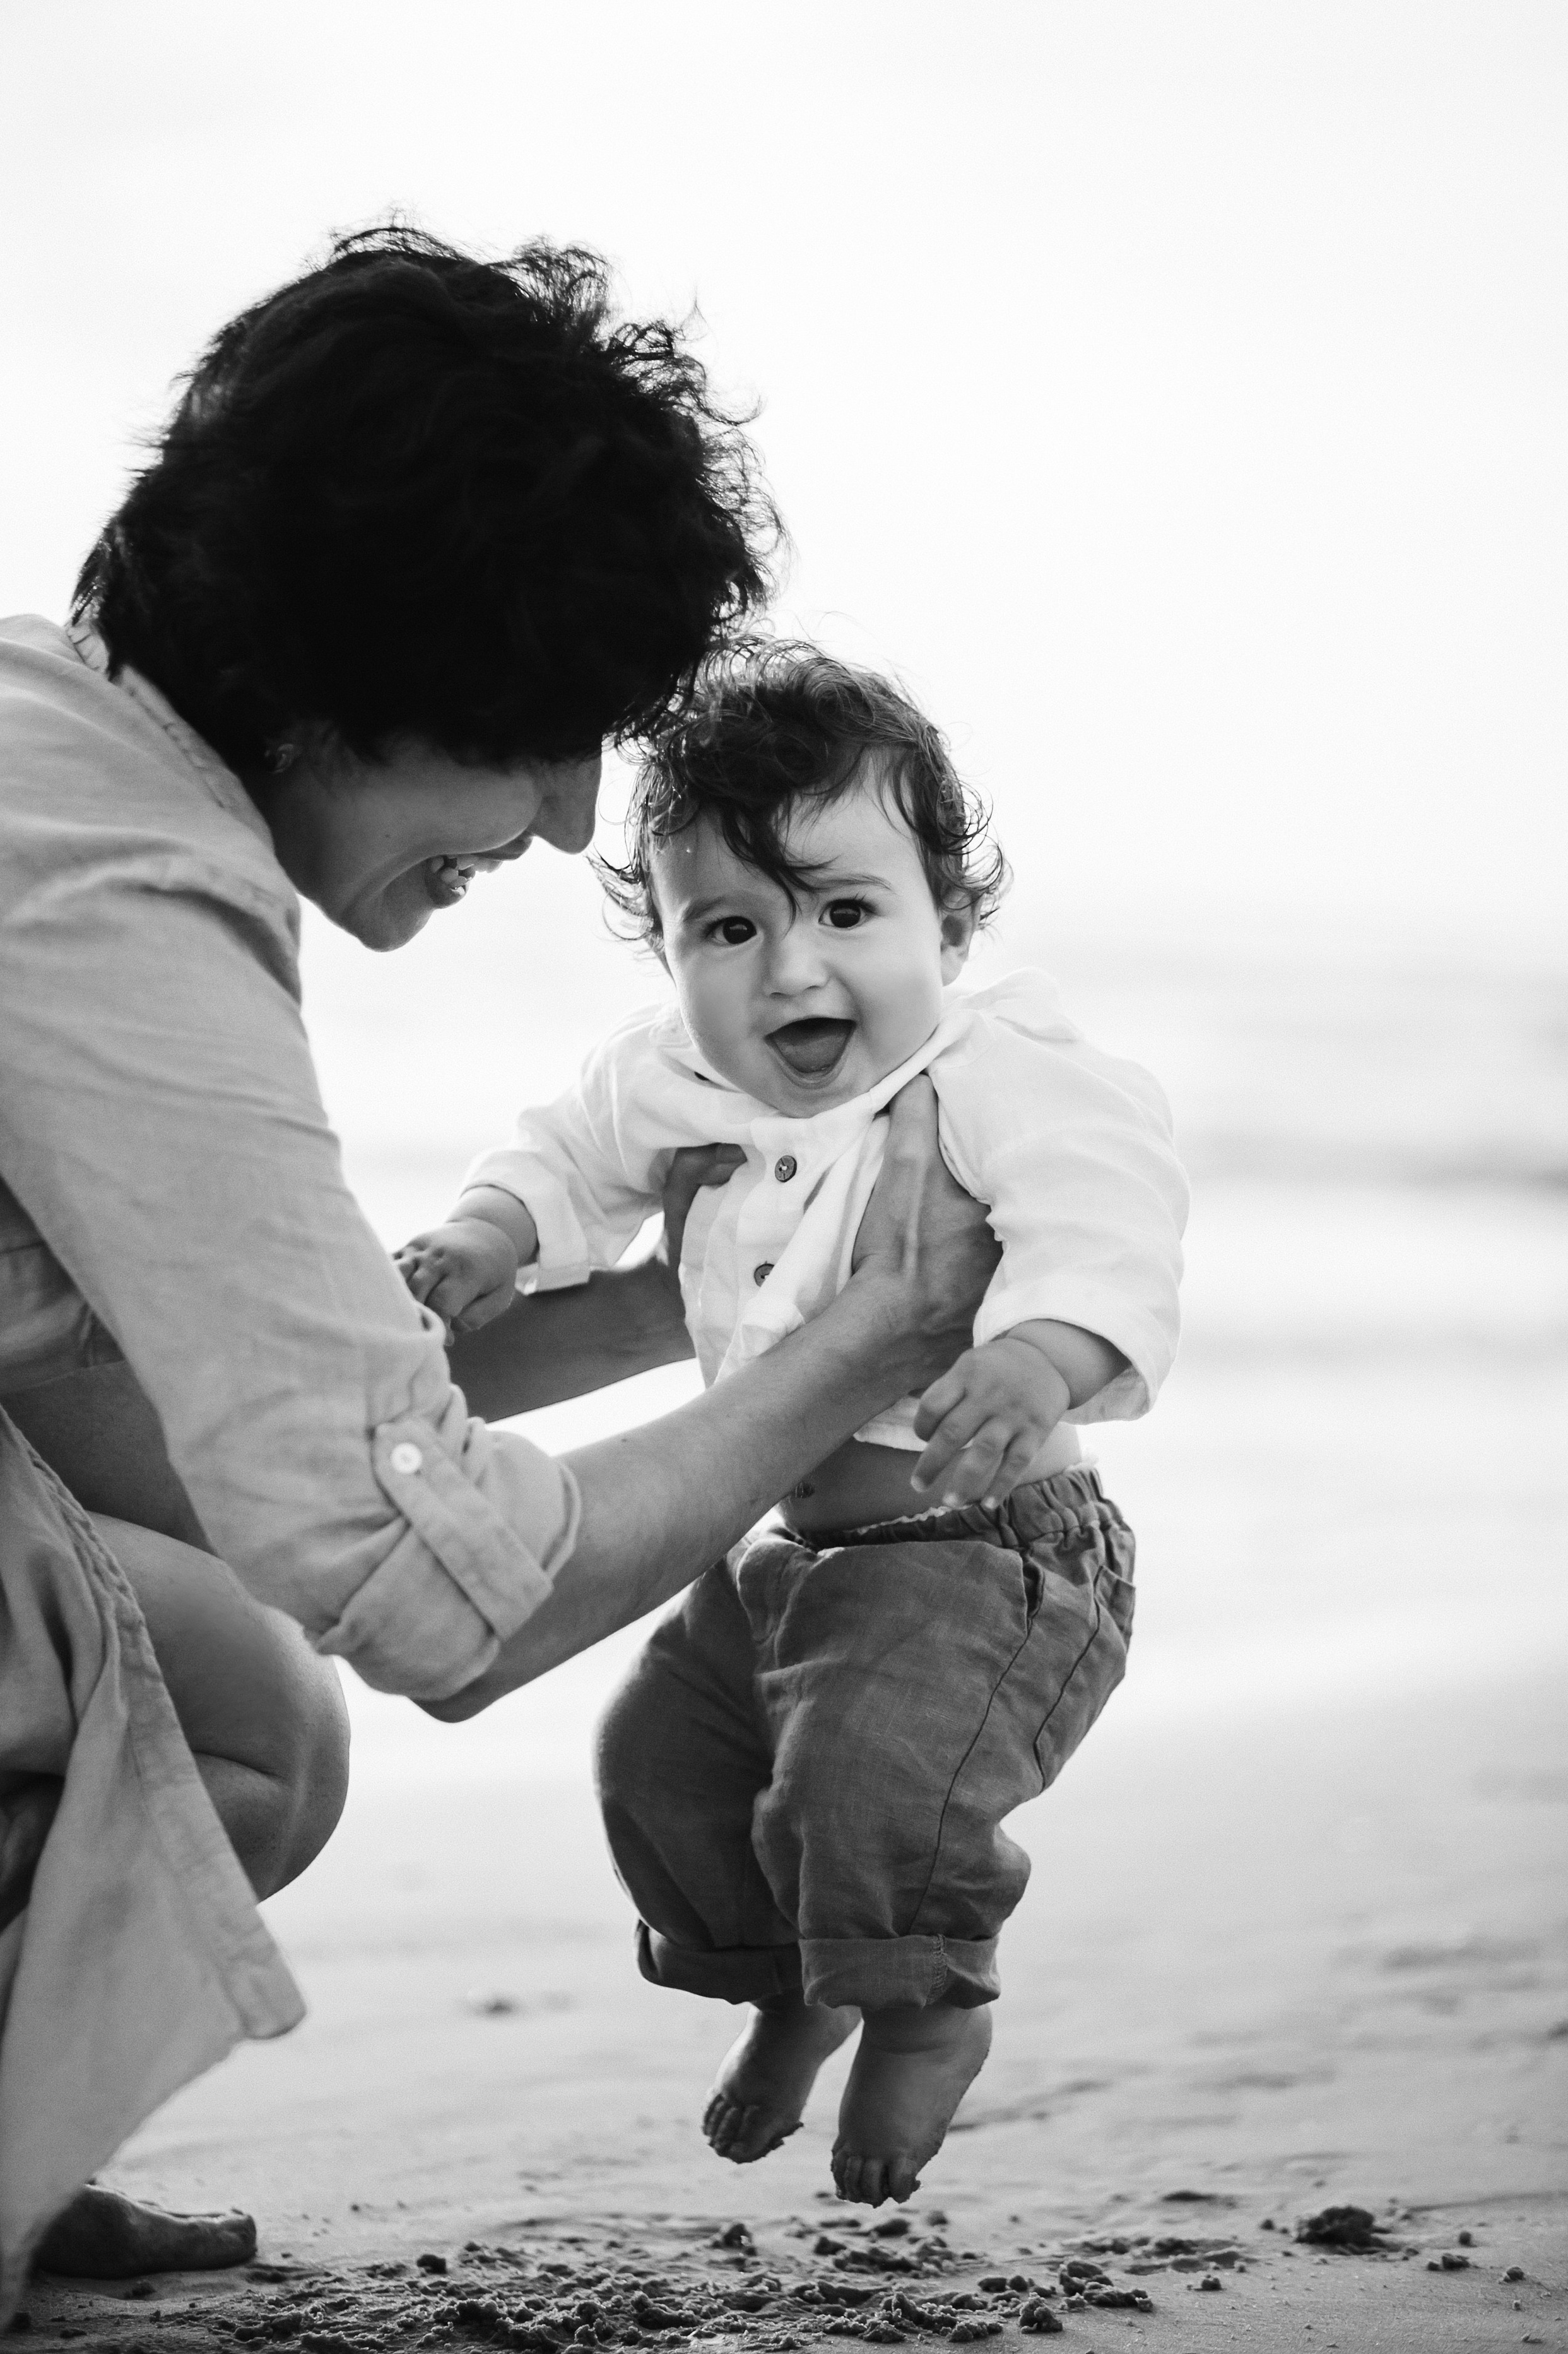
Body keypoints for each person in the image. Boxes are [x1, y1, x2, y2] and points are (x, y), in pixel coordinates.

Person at [0, 235, 999, 2339]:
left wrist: (668, 1303)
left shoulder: (41, 720)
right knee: (248, 1699)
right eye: (542, 735)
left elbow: (187, 1430)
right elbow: (445, 1599)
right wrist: (864, 1346)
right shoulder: (111, 896)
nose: (567, 818)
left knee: (236, 1706)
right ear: (344, 675)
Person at [396, 645, 1190, 2208]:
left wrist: (1036, 1358)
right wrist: (489, 1240)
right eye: (728, 928)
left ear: (943, 925)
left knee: (865, 1784)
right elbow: (561, 1159)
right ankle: (795, 1984)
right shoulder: (676, 1076)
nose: (788, 972)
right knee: (660, 1766)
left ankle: (923, 2005)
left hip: (982, 1552)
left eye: (844, 911)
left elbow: (1108, 1217)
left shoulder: (996, 1071)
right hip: (778, 1556)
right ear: (671, 952)